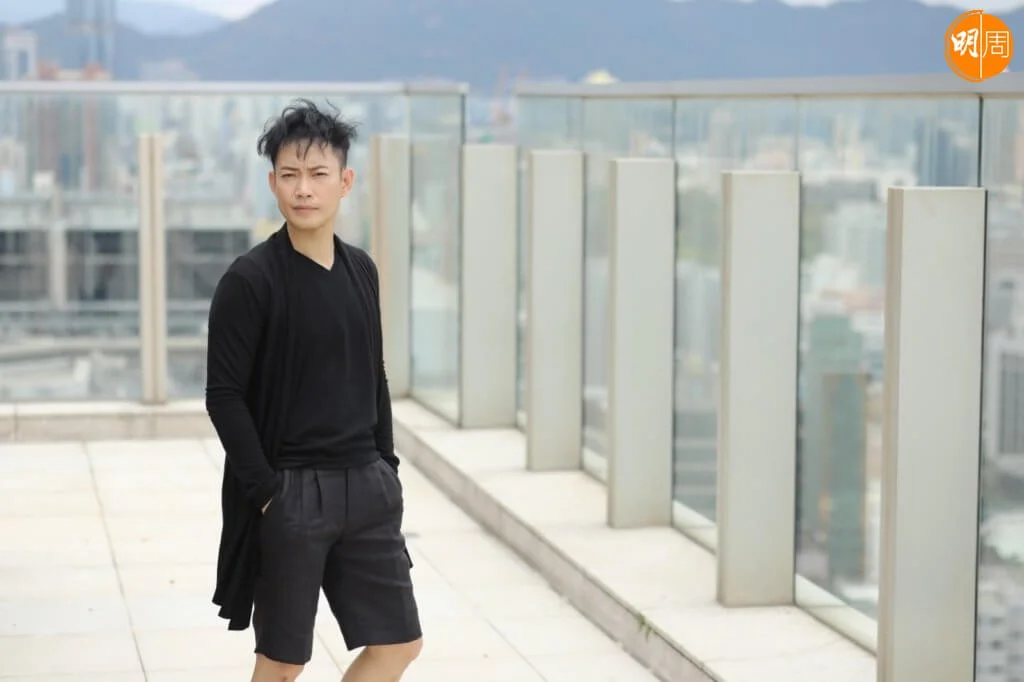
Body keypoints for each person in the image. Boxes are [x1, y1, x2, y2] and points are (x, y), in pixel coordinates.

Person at [204, 99, 423, 682]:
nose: (304, 189)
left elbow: (373, 373)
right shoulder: (250, 280)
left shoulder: (361, 270)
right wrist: (267, 494)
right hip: (292, 490)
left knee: (399, 644)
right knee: (282, 663)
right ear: (273, 183)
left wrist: (386, 467)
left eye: (318, 173)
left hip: (366, 485)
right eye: (290, 174)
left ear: (345, 182)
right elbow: (223, 396)